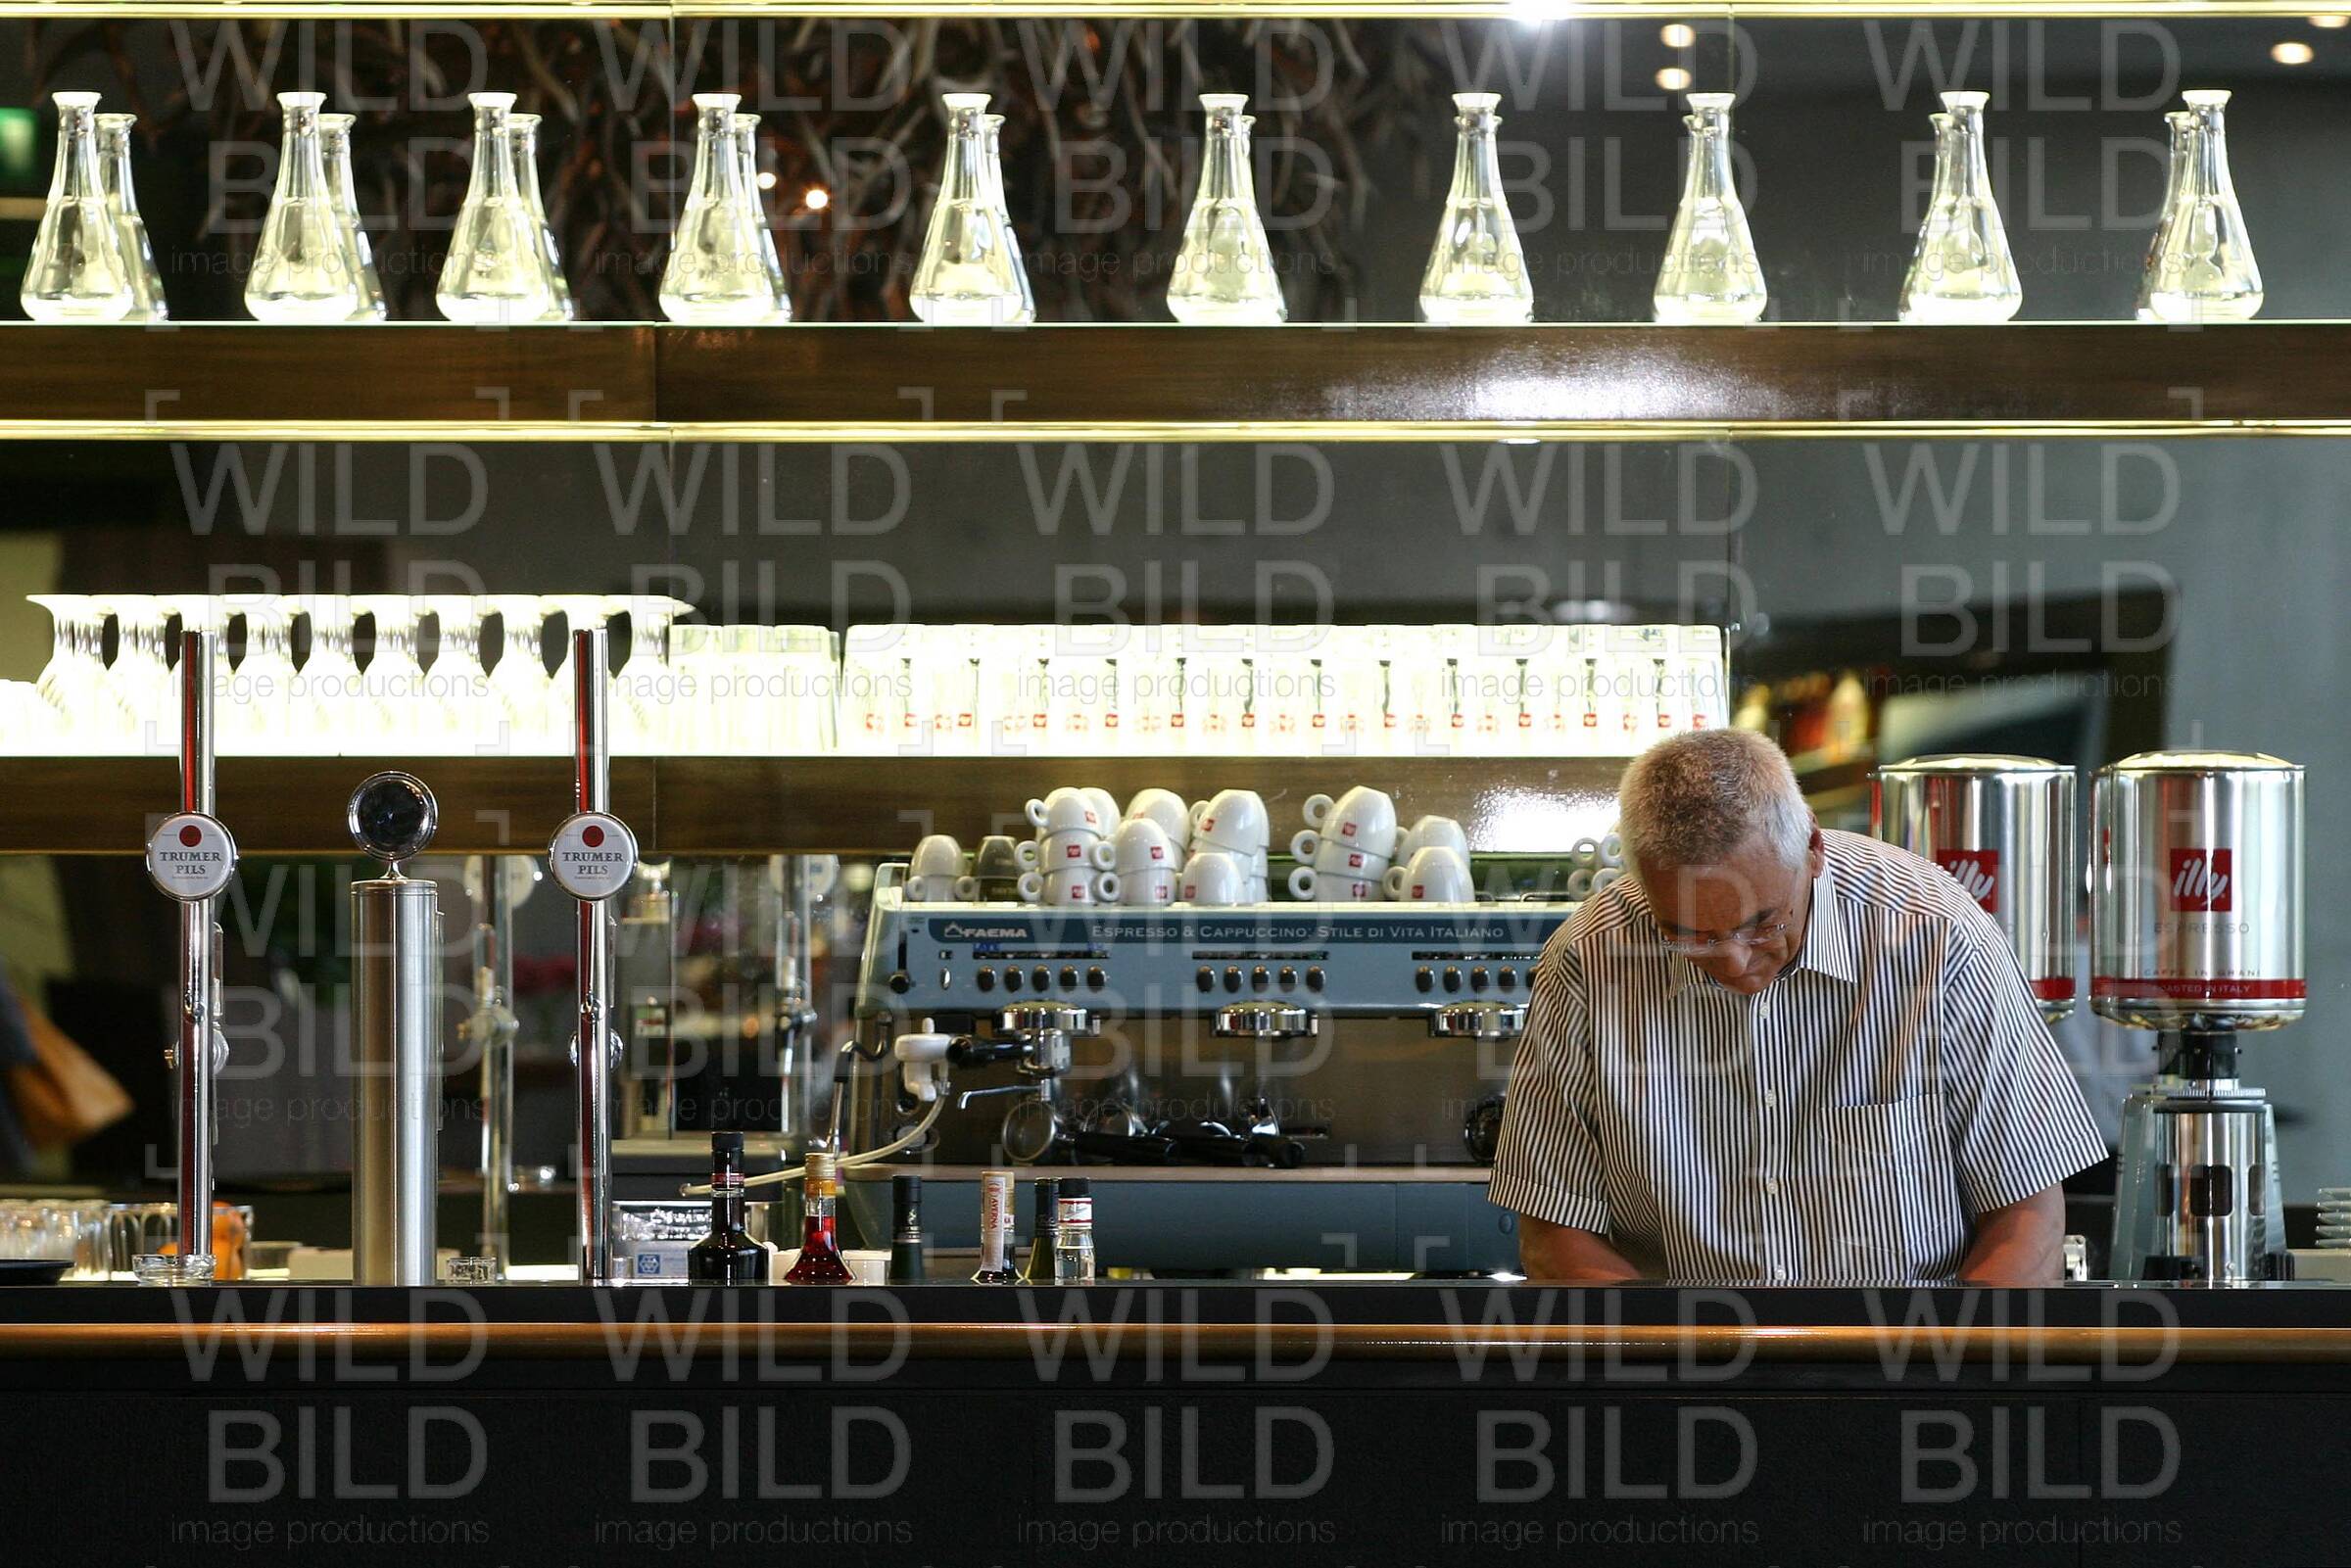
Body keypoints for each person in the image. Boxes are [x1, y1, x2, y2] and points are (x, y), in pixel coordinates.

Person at [1491, 729, 2105, 1286]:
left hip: (1910, 1348)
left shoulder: (1935, 934)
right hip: (1682, 1351)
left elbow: (2028, 1218)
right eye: (1689, 934)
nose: (1734, 961)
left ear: (1812, 846)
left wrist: (1951, 1360)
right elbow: (1553, 1229)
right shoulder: (1592, 958)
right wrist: (1666, 1359)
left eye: (1762, 923)